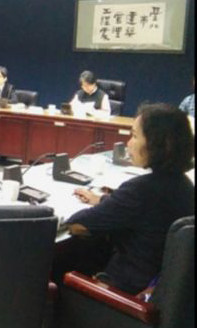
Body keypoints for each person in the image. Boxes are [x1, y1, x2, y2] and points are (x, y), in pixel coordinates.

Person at [55, 103, 194, 295]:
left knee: (57, 264)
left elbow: (79, 225)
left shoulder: (141, 190)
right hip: (154, 288)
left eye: (134, 136)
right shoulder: (185, 186)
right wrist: (102, 200)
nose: (128, 143)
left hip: (123, 295)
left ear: (159, 144)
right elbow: (140, 211)